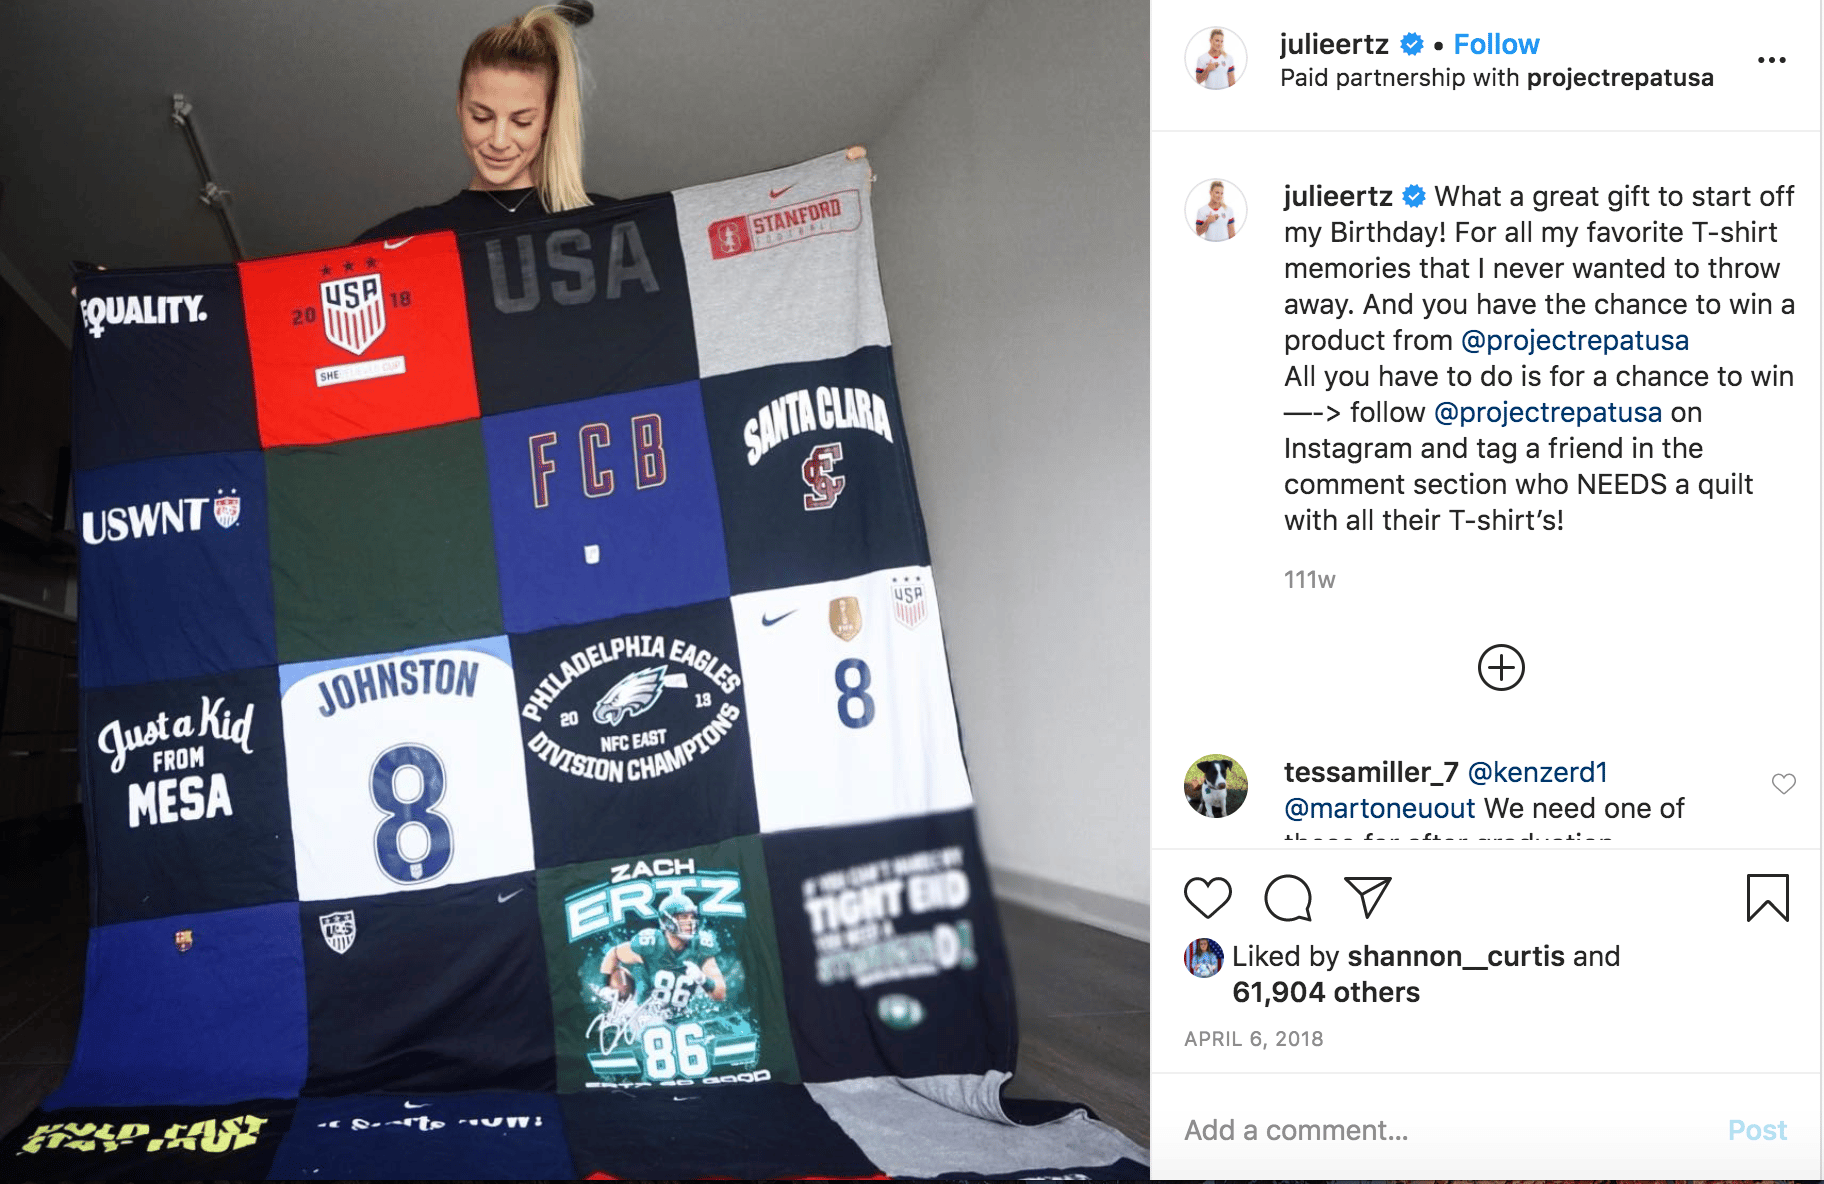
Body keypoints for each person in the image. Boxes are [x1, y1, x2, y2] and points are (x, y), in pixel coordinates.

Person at [354, 4, 867, 243]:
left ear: (550, 121)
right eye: (481, 116)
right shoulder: (405, 240)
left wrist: (827, 190)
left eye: (523, 120)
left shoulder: (611, 230)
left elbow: (726, 239)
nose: (499, 139)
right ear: (459, 107)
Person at [597, 890, 727, 1012]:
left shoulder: (699, 947)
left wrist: (703, 979)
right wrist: (605, 985)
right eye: (684, 917)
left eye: (692, 917)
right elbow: (614, 954)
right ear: (666, 920)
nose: (690, 922)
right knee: (619, 976)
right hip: (641, 1014)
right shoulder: (652, 943)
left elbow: (720, 994)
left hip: (681, 1017)